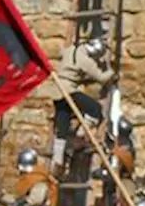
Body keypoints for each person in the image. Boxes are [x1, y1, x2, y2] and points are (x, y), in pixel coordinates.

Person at [49, 37, 114, 168]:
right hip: (69, 90)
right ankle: (81, 135)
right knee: (95, 109)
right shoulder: (86, 61)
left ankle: (57, 160)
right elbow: (101, 78)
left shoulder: (70, 49)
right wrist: (112, 71)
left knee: (62, 125)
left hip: (57, 91)